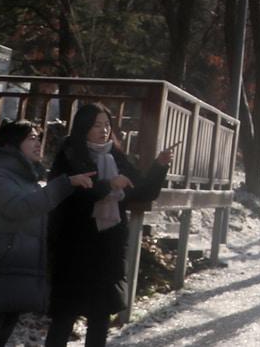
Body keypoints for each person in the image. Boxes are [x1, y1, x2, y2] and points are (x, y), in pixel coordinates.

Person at [0, 121, 96, 347]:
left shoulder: (25, 178)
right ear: (13, 143)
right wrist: (65, 184)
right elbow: (19, 207)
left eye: (39, 137)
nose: (38, 143)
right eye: (31, 138)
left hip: (10, 275)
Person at [44, 104, 172, 347]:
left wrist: (159, 166)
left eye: (107, 125)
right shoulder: (70, 154)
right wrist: (109, 184)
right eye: (97, 125)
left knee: (100, 316)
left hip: (107, 246)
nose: (104, 130)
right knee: (64, 315)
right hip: (74, 246)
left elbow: (141, 191)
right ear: (83, 127)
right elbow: (66, 196)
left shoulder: (117, 155)